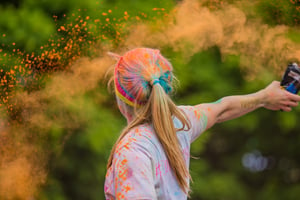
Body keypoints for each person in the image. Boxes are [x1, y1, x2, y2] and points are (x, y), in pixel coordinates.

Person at [104, 48, 300, 200]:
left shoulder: (131, 151)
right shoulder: (178, 124)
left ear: (121, 100)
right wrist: (265, 97)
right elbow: (222, 108)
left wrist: (265, 98)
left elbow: (223, 108)